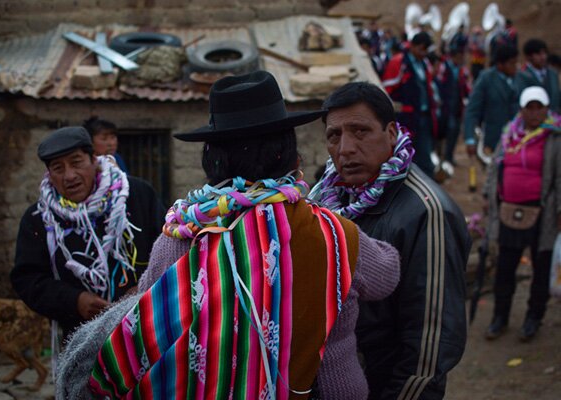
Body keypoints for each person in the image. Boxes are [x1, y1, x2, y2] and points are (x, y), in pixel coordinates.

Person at [55, 71, 401, 399]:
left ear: (214, 158)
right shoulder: (334, 235)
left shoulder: (181, 233)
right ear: (287, 151)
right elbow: (387, 274)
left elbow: (145, 321)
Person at [310, 81, 471, 400]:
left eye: (360, 131)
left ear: (392, 133)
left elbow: (430, 348)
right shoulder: (321, 198)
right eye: (334, 136)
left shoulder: (426, 212)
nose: (346, 149)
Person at [10, 127, 161, 338]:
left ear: (94, 160)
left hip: (148, 326)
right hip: (82, 338)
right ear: (49, 174)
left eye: (76, 162)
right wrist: (74, 301)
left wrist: (144, 286)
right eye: (58, 168)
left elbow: (169, 250)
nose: (69, 175)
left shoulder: (136, 195)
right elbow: (27, 279)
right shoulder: (39, 218)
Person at [484, 86, 561, 341]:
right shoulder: (509, 134)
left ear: (547, 109)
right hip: (508, 209)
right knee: (505, 266)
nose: (535, 112)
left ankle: (533, 319)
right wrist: (488, 194)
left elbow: (559, 177)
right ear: (522, 109)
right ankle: (499, 317)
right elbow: (496, 166)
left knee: (541, 267)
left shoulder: (554, 137)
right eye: (530, 107)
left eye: (540, 107)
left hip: (542, 212)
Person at [382, 31, 439, 178]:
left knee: (424, 157)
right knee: (405, 157)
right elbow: (387, 88)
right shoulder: (399, 62)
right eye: (421, 49)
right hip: (405, 119)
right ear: (412, 46)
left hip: (423, 116)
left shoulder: (424, 63)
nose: (424, 53)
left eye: (426, 50)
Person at [464, 44, 519, 157]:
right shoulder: (486, 79)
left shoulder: (522, 78)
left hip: (519, 138)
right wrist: (470, 139)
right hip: (494, 139)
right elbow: (472, 110)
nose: (515, 66)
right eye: (511, 63)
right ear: (500, 65)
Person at [436, 48, 471, 165]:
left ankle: (449, 157)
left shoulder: (462, 70)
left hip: (457, 107)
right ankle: (440, 158)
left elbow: (466, 87)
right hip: (445, 107)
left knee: (454, 132)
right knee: (444, 132)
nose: (462, 59)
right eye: (460, 56)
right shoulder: (444, 67)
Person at [517, 39, 560, 113]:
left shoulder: (553, 74)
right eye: (538, 54)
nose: (543, 57)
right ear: (529, 57)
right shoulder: (521, 76)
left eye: (544, 53)